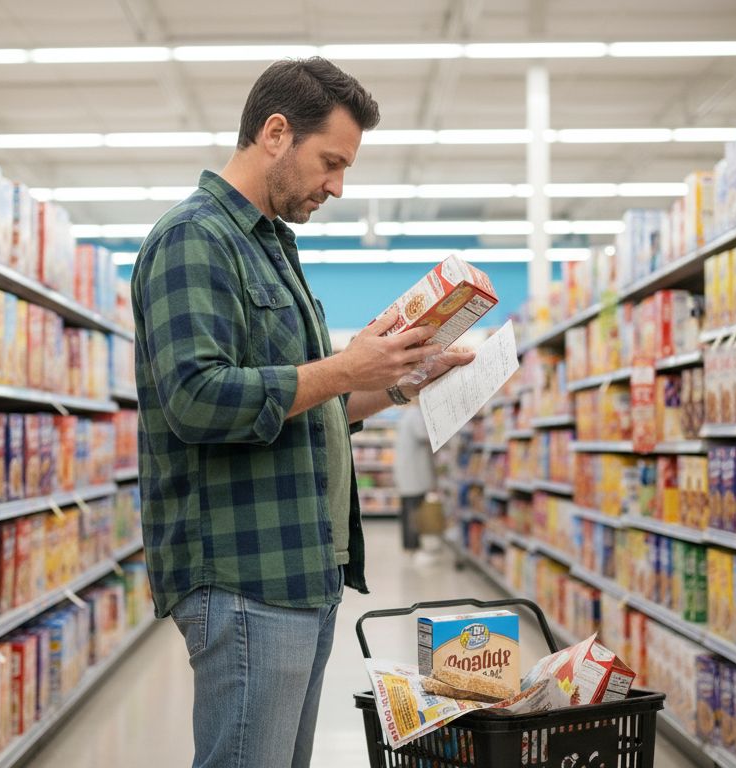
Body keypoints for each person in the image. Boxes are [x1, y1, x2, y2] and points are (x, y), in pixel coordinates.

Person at [131, 57, 475, 768]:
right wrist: (345, 366)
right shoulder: (195, 238)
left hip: (301, 570)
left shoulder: (272, 249)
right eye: (331, 162)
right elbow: (196, 398)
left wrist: (404, 380)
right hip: (244, 573)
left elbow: (315, 405)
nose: (337, 186)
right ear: (276, 133)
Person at [394, 403, 434, 552]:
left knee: (408, 509)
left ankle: (410, 544)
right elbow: (423, 434)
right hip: (413, 473)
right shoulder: (414, 413)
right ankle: (412, 544)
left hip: (408, 472)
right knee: (413, 510)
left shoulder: (408, 414)